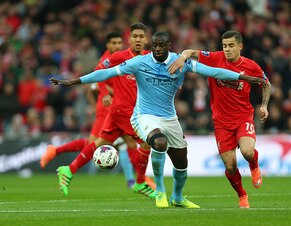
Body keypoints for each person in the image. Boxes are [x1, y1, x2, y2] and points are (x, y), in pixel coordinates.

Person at [50, 31, 266, 208]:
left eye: (162, 45)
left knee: (182, 163)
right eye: (155, 45)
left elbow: (214, 72)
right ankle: (160, 190)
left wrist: (242, 77)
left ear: (168, 45)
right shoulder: (139, 62)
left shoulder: (180, 63)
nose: (158, 49)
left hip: (169, 117)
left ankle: (178, 197)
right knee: (157, 142)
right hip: (143, 115)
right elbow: (106, 74)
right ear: (151, 46)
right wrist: (75, 81)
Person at [50, 22, 156, 197]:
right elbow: (98, 72)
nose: (138, 39)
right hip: (124, 112)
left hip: (124, 112)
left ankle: (68, 170)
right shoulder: (119, 57)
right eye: (134, 36)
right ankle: (139, 182)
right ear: (129, 40)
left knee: (99, 143)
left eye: (141, 37)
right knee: (147, 142)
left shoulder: (149, 58)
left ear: (146, 40)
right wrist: (102, 90)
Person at [168, 30, 271, 208]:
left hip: (243, 117)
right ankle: (242, 195)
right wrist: (182, 57)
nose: (227, 49)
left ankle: (254, 165)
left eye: (231, 45)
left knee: (247, 151)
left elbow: (265, 83)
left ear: (240, 46)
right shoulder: (215, 58)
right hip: (221, 123)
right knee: (230, 166)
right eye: (224, 46)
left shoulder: (251, 66)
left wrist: (264, 105)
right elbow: (191, 52)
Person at [39, 31, 135, 188]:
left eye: (119, 43)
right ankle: (137, 181)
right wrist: (100, 103)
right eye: (114, 43)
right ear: (107, 45)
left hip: (120, 109)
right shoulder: (106, 61)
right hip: (110, 111)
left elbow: (94, 89)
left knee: (122, 142)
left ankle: (135, 180)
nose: (117, 46)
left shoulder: (121, 58)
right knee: (107, 143)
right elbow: (94, 86)